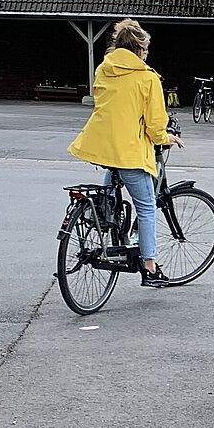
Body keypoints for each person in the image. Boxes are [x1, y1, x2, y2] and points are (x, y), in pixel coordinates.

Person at [68, 19, 184, 287]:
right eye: (145, 50)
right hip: (129, 151)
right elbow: (156, 126)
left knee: (111, 193)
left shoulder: (103, 70)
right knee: (146, 208)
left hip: (102, 147)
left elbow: (106, 105)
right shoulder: (147, 78)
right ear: (140, 50)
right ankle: (150, 267)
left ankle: (108, 226)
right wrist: (166, 137)